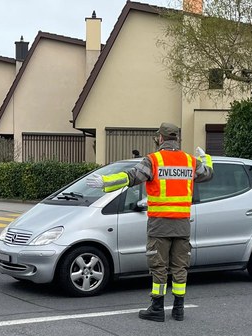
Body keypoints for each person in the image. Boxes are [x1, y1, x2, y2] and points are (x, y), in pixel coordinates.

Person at [86, 122, 213, 322]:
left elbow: (131, 177)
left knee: (159, 266)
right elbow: (208, 174)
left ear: (160, 139)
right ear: (177, 140)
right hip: (182, 224)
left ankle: (157, 308)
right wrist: (205, 158)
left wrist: (106, 182)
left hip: (160, 225)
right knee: (180, 266)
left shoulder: (154, 160)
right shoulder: (189, 161)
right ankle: (178, 309)